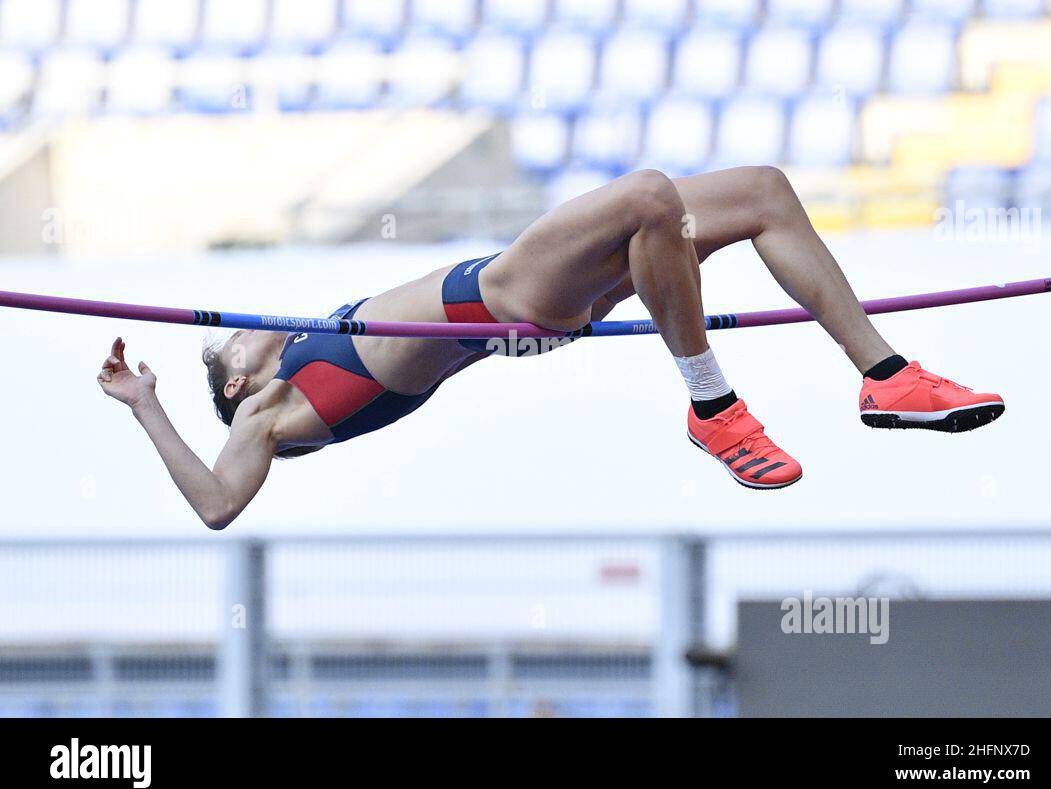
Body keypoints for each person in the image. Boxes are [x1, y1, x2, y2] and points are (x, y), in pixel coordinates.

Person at [97, 167, 1004, 527]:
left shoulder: (307, 358)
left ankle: (887, 377)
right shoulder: (267, 410)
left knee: (759, 193)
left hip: (513, 304)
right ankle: (714, 408)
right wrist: (149, 405)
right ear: (241, 379)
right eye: (234, 346)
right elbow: (217, 505)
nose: (248, 334)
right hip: (504, 289)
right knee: (650, 195)